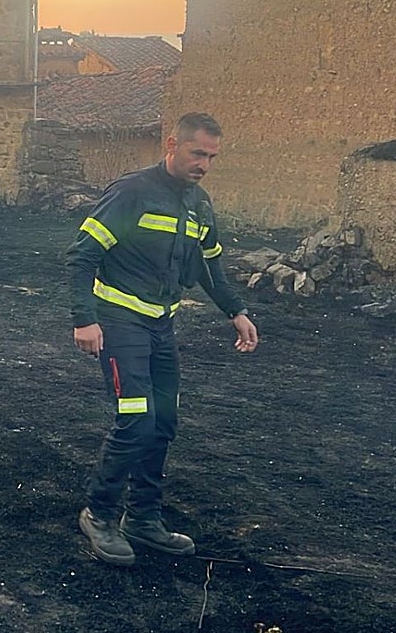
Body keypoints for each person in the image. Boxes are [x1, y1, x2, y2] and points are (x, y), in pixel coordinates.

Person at [65, 112, 259, 566]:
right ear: (172, 144)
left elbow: (210, 267)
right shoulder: (132, 192)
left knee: (163, 421)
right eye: (197, 153)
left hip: (161, 327)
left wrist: (237, 311)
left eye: (211, 157)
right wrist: (84, 319)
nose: (204, 164)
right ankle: (100, 514)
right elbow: (82, 255)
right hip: (119, 323)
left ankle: (144, 519)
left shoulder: (200, 205)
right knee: (136, 418)